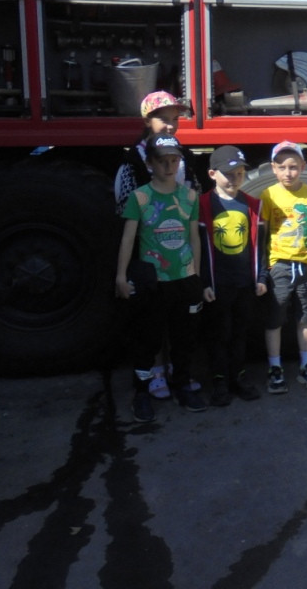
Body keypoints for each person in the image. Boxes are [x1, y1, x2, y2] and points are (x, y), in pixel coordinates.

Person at [113, 90, 200, 400]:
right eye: (163, 119)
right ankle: (156, 374)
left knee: (180, 323)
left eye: (175, 120)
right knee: (150, 325)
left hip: (178, 257)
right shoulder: (132, 160)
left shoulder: (184, 158)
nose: (170, 125)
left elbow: (191, 204)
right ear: (147, 120)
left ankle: (180, 372)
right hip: (146, 258)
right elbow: (125, 213)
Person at [199, 145, 266, 406]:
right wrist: (203, 282)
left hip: (244, 283)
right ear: (212, 174)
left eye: (239, 173)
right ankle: (218, 380)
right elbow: (198, 248)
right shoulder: (204, 204)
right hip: (218, 284)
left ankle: (238, 377)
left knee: (240, 333)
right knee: (219, 333)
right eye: (228, 174)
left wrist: (261, 277)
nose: (235, 179)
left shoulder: (252, 205)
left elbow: (260, 244)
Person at [260, 141, 307, 392]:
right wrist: (264, 267)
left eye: (293, 167)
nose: (288, 173)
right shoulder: (268, 195)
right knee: (275, 318)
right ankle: (275, 368)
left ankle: (306, 365)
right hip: (279, 265)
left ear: (303, 166)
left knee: (306, 318)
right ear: (273, 169)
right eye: (282, 167)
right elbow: (264, 234)